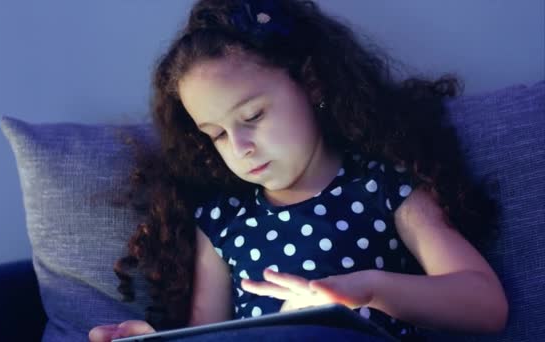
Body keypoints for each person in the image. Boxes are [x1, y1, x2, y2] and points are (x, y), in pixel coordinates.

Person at [89, 0, 508, 341]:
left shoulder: (385, 187)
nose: (240, 147)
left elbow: (486, 304)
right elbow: (209, 337)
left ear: (312, 85)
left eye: (252, 116)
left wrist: (370, 289)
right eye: (216, 134)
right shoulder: (222, 220)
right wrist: (153, 340)